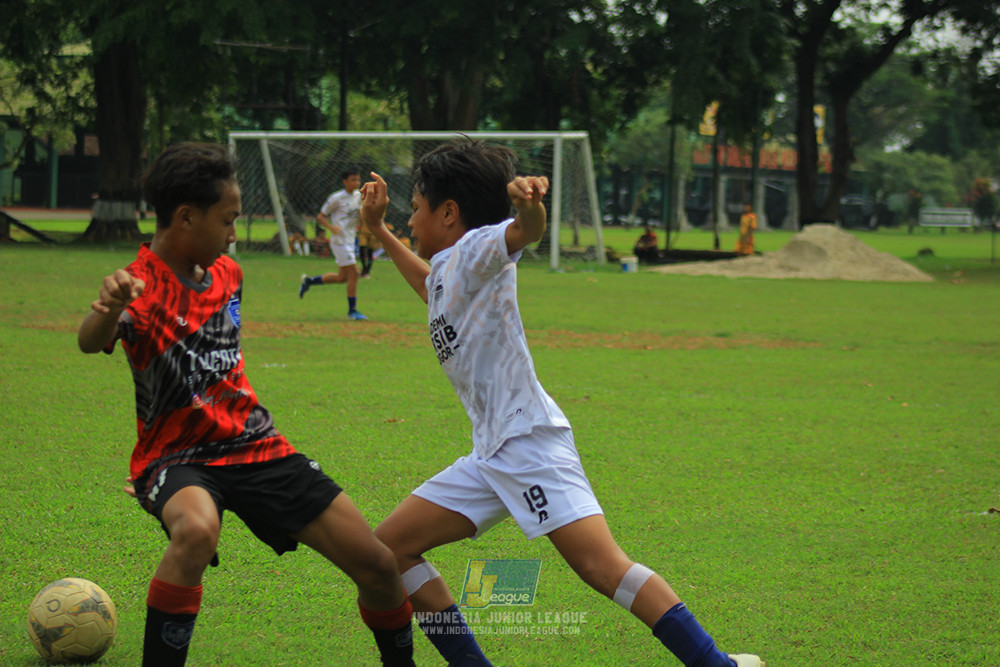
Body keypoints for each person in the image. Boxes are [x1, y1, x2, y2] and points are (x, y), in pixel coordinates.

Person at [357, 140, 765, 667]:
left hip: (528, 444)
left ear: (449, 212)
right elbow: (430, 285)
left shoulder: (479, 246)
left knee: (603, 567)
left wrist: (529, 204)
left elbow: (524, 232)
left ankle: (717, 665)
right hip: (491, 452)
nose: (410, 219)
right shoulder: (448, 268)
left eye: (414, 209)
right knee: (389, 549)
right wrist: (382, 231)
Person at [78, 143, 414, 667]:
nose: (234, 233)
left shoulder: (229, 275)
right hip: (177, 456)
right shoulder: (137, 286)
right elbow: (90, 339)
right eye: (228, 220)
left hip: (255, 445)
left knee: (378, 566)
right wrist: (107, 307)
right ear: (186, 218)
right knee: (196, 530)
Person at [299, 167, 367, 319]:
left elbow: (361, 217)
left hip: (350, 240)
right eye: (353, 180)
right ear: (344, 181)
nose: (356, 182)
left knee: (342, 277)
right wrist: (330, 227)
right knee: (354, 273)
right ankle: (352, 311)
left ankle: (309, 281)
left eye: (358, 179)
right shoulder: (336, 198)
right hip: (339, 241)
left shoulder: (359, 197)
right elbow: (321, 216)